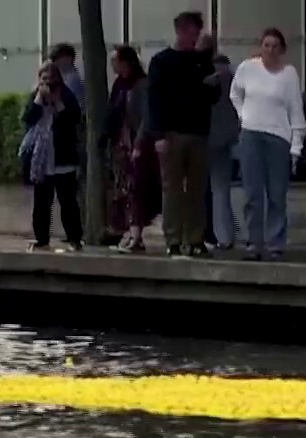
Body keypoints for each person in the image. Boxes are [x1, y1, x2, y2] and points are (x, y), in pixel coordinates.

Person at [231, 28, 306, 261]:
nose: (270, 50)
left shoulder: (289, 74)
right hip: (251, 134)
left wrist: (296, 147)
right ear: (260, 47)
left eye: (275, 46)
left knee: (276, 194)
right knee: (253, 193)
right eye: (266, 45)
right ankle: (254, 243)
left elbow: (296, 111)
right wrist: (243, 116)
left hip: (279, 137)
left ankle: (275, 243)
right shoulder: (247, 68)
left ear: (282, 49)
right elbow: (235, 94)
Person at [148, 11, 218, 258]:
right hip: (172, 133)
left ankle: (196, 239)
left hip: (198, 132)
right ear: (180, 31)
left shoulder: (201, 62)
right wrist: (158, 135)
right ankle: (173, 239)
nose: (195, 37)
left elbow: (213, 97)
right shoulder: (161, 62)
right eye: (191, 32)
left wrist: (211, 82)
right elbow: (154, 99)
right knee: (172, 188)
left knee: (198, 189)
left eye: (197, 33)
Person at [22, 61, 83, 252]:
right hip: (42, 158)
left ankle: (74, 238)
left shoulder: (66, 95)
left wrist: (57, 102)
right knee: (41, 202)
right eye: (43, 79)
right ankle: (41, 239)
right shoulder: (35, 96)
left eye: (51, 79)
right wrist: (40, 99)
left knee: (68, 202)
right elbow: (28, 119)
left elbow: (72, 119)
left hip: (63, 158)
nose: (48, 83)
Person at [105, 44, 161, 253]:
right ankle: (129, 232)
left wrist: (138, 144)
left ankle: (136, 235)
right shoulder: (120, 85)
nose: (113, 65)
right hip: (122, 144)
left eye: (115, 61)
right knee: (124, 192)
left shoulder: (140, 85)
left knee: (136, 190)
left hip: (137, 145)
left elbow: (145, 117)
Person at [206, 53, 241, 251]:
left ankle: (224, 236)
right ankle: (230, 232)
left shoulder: (210, 80)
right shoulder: (236, 77)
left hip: (212, 138)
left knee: (217, 189)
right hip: (234, 135)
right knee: (225, 189)